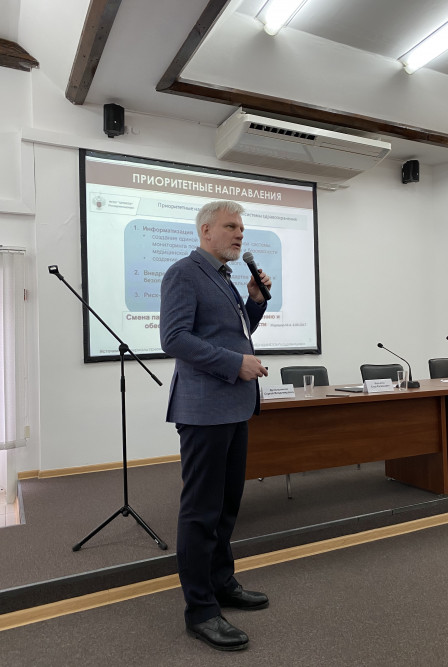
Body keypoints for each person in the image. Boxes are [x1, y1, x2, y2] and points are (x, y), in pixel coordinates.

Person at [160, 200, 272, 652]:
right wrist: (234, 364)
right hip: (204, 410)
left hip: (234, 407)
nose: (239, 234)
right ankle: (201, 611)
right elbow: (174, 338)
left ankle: (222, 582)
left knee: (226, 507)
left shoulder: (224, 278)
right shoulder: (184, 273)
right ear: (206, 231)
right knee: (201, 511)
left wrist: (255, 301)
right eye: (230, 226)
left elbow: (236, 335)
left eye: (241, 227)